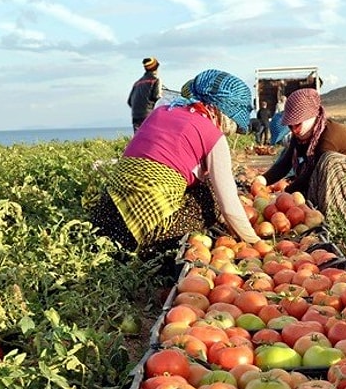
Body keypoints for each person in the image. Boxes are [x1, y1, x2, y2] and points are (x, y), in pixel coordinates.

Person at [92, 69, 260, 259]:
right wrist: (255, 244)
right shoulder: (212, 135)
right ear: (224, 113)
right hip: (146, 229)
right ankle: (155, 249)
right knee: (210, 196)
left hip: (107, 216)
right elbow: (228, 206)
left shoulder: (161, 112)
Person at [252, 88, 346, 225]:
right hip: (342, 175)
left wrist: (284, 195)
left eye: (297, 124)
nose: (293, 130)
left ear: (312, 116)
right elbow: (285, 163)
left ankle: (341, 219)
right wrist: (262, 180)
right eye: (290, 126)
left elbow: (312, 172)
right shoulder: (301, 135)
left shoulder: (329, 135)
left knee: (328, 161)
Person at [127, 57, 162, 132]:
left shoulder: (137, 83)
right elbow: (156, 97)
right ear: (155, 68)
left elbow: (129, 102)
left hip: (135, 116)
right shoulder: (155, 80)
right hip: (147, 116)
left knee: (138, 138)